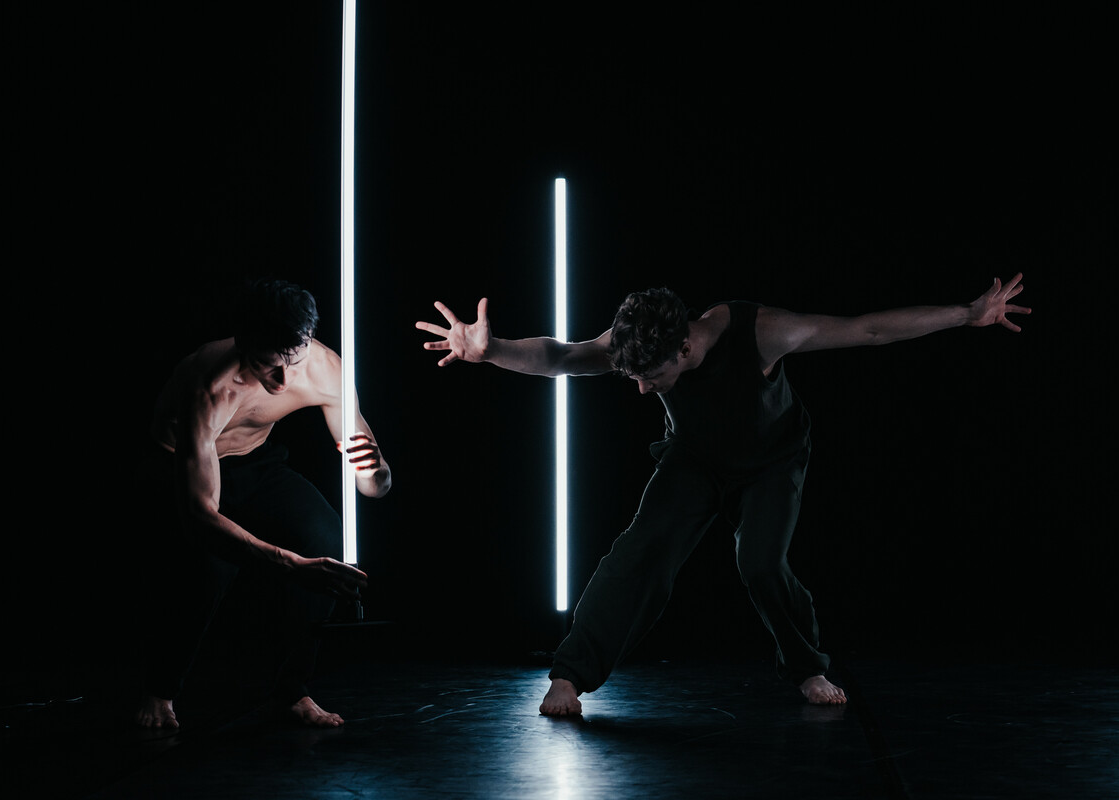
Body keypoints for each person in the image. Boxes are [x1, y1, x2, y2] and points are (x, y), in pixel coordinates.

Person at [416, 275, 1029, 714]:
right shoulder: (640, 339)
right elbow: (562, 356)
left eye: (651, 379)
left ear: (684, 348)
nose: (641, 390)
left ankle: (807, 667)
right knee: (640, 551)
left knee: (759, 563)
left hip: (773, 462)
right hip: (695, 459)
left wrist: (967, 313)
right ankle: (569, 676)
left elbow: (867, 330)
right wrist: (490, 351)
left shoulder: (762, 332)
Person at [134, 278, 392, 730]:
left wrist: (377, 473)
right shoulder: (210, 385)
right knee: (210, 567)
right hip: (178, 464)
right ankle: (160, 690)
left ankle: (291, 690)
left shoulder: (324, 368)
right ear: (244, 344)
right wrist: (290, 564)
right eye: (268, 366)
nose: (284, 381)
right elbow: (201, 516)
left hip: (256, 461)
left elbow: (372, 483)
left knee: (324, 539)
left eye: (294, 361)